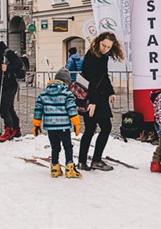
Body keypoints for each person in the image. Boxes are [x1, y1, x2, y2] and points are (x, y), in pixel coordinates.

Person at [78, 32, 125, 171]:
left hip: (99, 96)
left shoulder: (102, 57)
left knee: (91, 129)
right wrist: (92, 101)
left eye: (108, 47)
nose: (105, 48)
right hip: (94, 98)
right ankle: (95, 160)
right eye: (103, 45)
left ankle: (84, 161)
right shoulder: (92, 56)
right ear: (98, 42)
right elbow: (91, 80)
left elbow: (103, 77)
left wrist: (110, 91)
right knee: (104, 128)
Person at [32, 68, 81, 178]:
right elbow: (72, 109)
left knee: (55, 147)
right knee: (67, 146)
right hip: (63, 126)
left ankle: (55, 167)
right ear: (67, 82)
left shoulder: (44, 94)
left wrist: (36, 124)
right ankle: (70, 168)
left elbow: (38, 109)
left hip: (50, 128)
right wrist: (76, 124)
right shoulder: (67, 94)